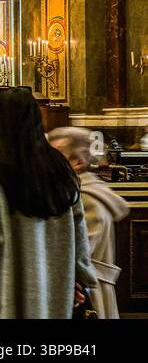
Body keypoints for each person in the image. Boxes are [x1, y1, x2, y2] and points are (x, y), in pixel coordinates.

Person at [0, 86, 97, 318]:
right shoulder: (58, 164)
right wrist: (79, 279)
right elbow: (79, 232)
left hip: (7, 286)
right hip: (56, 288)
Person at [49, 126, 129, 318]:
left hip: (87, 292)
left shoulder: (86, 198)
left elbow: (79, 254)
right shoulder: (76, 191)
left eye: (55, 156)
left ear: (78, 162)